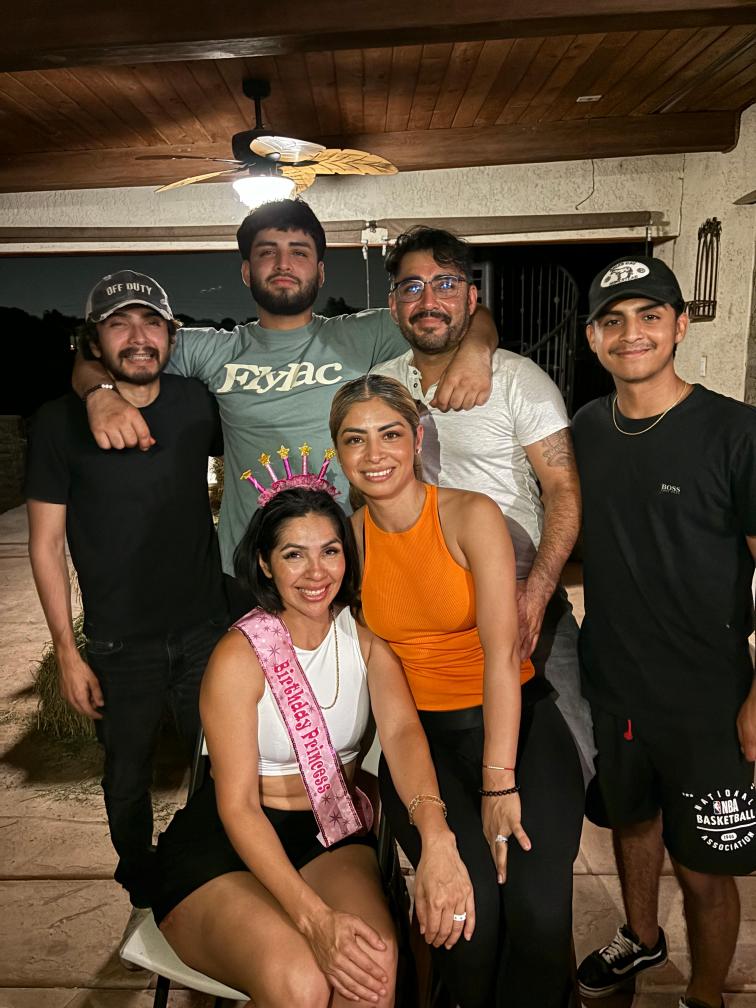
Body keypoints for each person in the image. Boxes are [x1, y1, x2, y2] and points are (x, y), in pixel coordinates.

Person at [71, 199, 497, 616]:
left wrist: (476, 350)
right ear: (246, 271)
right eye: (267, 252)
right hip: (250, 571)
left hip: (346, 562)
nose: (283, 264)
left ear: (320, 271)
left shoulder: (364, 334)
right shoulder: (215, 349)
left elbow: (464, 315)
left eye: (299, 252)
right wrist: (100, 393)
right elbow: (102, 350)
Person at [151, 474, 474, 1008]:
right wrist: (315, 919)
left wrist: (437, 838)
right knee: (300, 984)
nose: (316, 572)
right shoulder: (238, 656)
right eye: (294, 555)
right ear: (264, 563)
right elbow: (237, 806)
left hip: (327, 834)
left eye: (329, 551)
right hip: (228, 841)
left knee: (371, 971)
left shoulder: (366, 645)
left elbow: (401, 733)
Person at [330, 375, 585, 1008]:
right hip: (426, 744)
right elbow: (391, 709)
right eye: (354, 439)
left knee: (538, 919)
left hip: (516, 726)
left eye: (390, 434)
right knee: (468, 923)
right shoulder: (347, 544)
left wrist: (499, 783)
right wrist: (435, 830)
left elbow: (502, 655)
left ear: (417, 439)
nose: (374, 454)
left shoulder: (471, 514)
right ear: (338, 451)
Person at [572, 255, 756, 1008]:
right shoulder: (587, 428)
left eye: (650, 316)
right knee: (631, 823)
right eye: (613, 320)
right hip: (616, 684)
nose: (632, 333)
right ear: (592, 337)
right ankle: (641, 937)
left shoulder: (736, 432)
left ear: (681, 325)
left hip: (708, 699)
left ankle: (705, 994)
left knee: (707, 867)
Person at [25, 271, 228, 950]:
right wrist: (67, 651)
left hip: (205, 630)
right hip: (118, 643)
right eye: (119, 324)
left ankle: (208, 872)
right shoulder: (57, 423)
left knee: (221, 762)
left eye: (151, 323)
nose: (138, 337)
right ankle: (143, 886)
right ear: (94, 340)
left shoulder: (198, 403)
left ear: (171, 335)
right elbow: (46, 544)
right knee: (125, 779)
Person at [373, 225, 595, 783]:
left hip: (521, 599)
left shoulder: (518, 380)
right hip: (424, 614)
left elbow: (563, 489)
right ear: (394, 305)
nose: (429, 300)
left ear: (472, 299)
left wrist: (538, 593)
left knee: (574, 764)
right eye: (412, 287)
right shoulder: (381, 387)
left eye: (446, 284)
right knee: (425, 768)